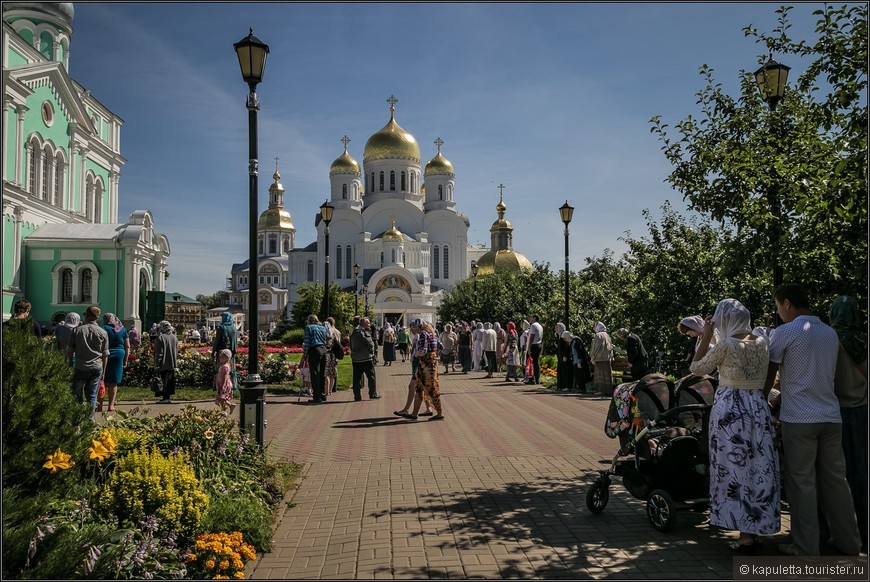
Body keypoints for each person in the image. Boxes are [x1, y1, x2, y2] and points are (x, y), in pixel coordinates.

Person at [766, 284, 861, 557]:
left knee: (802, 482)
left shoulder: (784, 333)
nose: (778, 312)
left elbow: (771, 374)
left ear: (786, 303)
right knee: (836, 481)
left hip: (799, 418)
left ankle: (805, 546)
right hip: (831, 417)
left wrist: (762, 401)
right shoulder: (829, 333)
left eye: (777, 306)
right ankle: (849, 542)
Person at [690, 299, 780, 552]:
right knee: (759, 465)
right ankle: (756, 526)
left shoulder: (726, 346)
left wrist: (706, 336)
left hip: (731, 410)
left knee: (734, 468)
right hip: (757, 408)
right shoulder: (763, 342)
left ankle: (745, 536)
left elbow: (696, 368)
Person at [828, 295, 868, 553]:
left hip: (838, 412)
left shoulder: (830, 340)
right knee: (864, 472)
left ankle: (843, 533)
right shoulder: (864, 339)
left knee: (839, 477)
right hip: (864, 412)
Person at [66, 305, 108, 422]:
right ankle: (90, 421)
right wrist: (103, 372)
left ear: (87, 316)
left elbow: (70, 351)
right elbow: (105, 355)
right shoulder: (103, 332)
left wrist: (69, 365)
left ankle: (76, 420)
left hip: (80, 366)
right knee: (92, 396)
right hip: (96, 367)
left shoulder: (77, 330)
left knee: (75, 394)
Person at [405, 320, 444, 421]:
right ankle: (414, 413)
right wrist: (434, 355)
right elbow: (441, 347)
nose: (413, 331)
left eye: (413, 328)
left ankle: (439, 413)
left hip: (425, 364)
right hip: (433, 363)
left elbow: (423, 350)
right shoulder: (433, 333)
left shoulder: (423, 334)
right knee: (420, 388)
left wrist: (416, 354)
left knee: (431, 388)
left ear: (418, 327)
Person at [99, 313, 130, 413]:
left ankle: (99, 406)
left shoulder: (102, 328)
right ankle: (111, 405)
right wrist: (125, 360)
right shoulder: (122, 329)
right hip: (118, 355)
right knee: (113, 381)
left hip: (104, 355)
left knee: (102, 380)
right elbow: (128, 346)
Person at [350, 317, 379, 401]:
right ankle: (372, 394)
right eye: (368, 322)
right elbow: (370, 343)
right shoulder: (363, 332)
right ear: (363, 323)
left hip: (356, 359)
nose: (370, 324)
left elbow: (351, 344)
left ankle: (357, 396)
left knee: (356, 379)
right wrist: (372, 352)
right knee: (371, 376)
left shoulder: (354, 332)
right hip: (366, 358)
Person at [302, 314, 329, 404]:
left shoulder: (308, 328)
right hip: (323, 349)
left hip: (315, 350)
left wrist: (305, 354)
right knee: (322, 373)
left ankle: (316, 397)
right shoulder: (322, 328)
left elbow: (307, 342)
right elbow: (326, 338)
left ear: (310, 320)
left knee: (315, 374)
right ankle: (322, 394)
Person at [212, 312, 239, 393]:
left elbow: (217, 341)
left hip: (222, 353)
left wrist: (213, 352)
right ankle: (232, 386)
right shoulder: (234, 327)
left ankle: (221, 387)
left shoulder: (221, 327)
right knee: (231, 369)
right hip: (231, 353)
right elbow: (236, 341)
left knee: (221, 370)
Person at [154, 320, 179, 404]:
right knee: (169, 380)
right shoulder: (174, 337)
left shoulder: (161, 337)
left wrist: (157, 364)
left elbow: (159, 353)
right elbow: (176, 350)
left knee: (164, 380)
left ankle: (165, 398)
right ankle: (167, 397)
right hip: (172, 362)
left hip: (163, 363)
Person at [590, 322, 613, 395]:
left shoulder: (598, 335)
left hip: (599, 358)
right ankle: (608, 390)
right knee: (606, 375)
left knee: (599, 375)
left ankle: (600, 390)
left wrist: (593, 357)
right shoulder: (607, 335)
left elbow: (596, 347)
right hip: (607, 358)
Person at [214, 348, 236, 415]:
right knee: (221, 398)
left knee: (221, 397)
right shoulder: (224, 366)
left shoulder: (225, 367)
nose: (220, 358)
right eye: (219, 356)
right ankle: (230, 406)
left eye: (222, 356)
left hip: (224, 384)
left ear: (227, 358)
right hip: (222, 383)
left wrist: (222, 385)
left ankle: (223, 411)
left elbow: (224, 377)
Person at [525, 314, 544, 385]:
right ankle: (537, 379)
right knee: (536, 362)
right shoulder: (540, 326)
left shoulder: (533, 325)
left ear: (534, 318)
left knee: (530, 362)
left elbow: (532, 337)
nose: (530, 319)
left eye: (531, 317)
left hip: (533, 345)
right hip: (538, 345)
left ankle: (531, 379)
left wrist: (529, 347)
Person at [324, 317, 342, 394]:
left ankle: (326, 391)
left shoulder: (326, 334)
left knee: (326, 373)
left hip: (327, 354)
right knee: (333, 373)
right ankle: (331, 390)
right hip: (334, 354)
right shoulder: (337, 332)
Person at [555, 322, 572, 390]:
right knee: (561, 371)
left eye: (557, 328)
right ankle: (561, 385)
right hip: (560, 357)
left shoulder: (564, 335)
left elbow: (566, 346)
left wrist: (565, 355)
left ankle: (567, 386)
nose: (555, 329)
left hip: (564, 357)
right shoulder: (558, 336)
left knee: (566, 371)